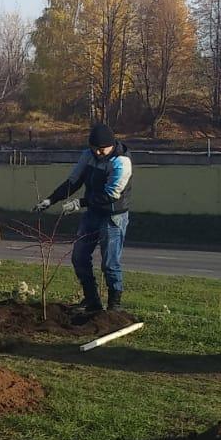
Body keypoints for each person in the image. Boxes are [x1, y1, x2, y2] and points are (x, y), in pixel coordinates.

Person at [35, 122, 133, 312]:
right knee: (79, 256)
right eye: (94, 148)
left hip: (113, 216)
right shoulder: (88, 155)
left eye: (101, 149)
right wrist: (50, 199)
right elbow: (73, 181)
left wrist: (80, 203)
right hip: (93, 214)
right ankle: (91, 301)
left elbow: (111, 194)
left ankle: (114, 307)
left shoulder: (121, 162)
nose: (97, 153)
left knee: (110, 264)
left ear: (112, 145)